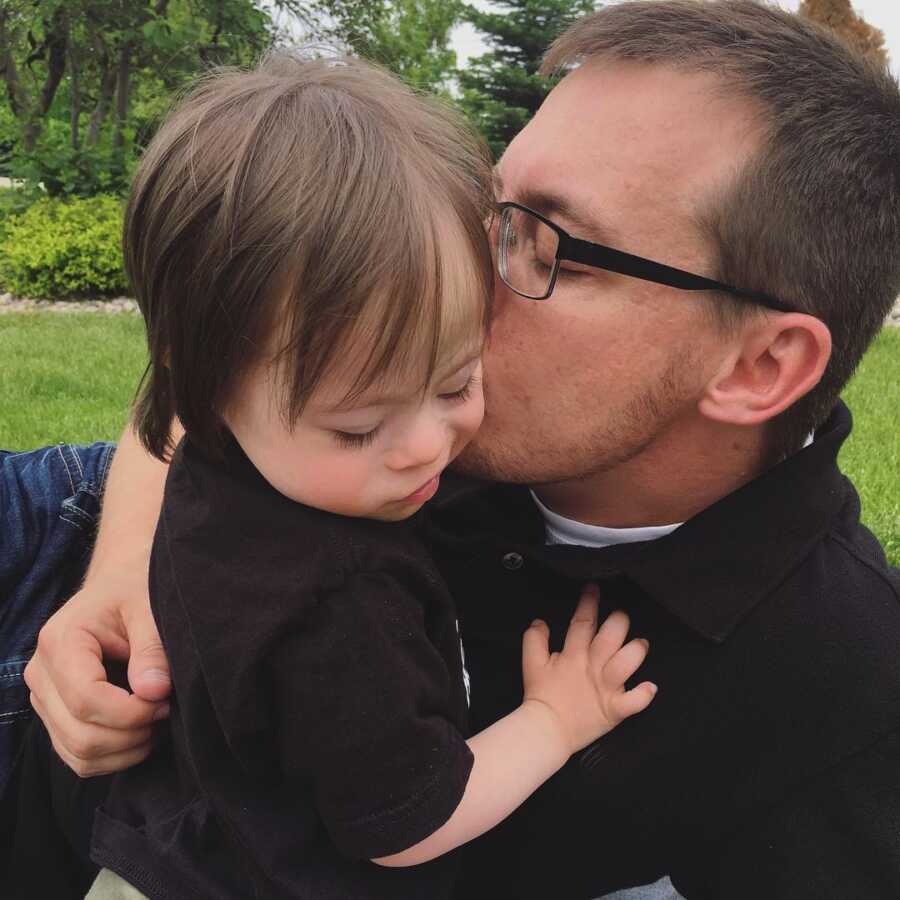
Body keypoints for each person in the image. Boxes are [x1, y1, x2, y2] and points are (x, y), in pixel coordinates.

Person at [9, 0, 900, 896]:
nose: (454, 276)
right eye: (488, 209)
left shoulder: (838, 696)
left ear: (759, 366)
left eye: (553, 245)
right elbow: (212, 382)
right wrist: (122, 576)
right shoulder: (426, 414)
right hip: (70, 548)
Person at [7, 55, 657, 900]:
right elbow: (411, 824)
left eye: (456, 380)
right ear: (207, 394)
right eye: (357, 428)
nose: (426, 445)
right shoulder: (334, 605)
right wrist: (555, 720)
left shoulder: (226, 454)